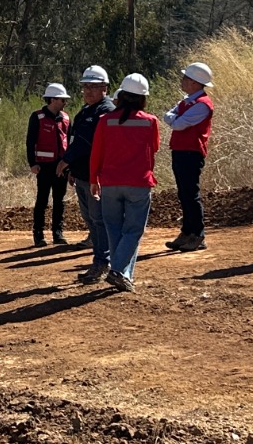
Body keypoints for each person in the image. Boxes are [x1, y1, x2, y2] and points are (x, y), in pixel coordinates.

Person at [89, 73, 162, 292]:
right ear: (143, 98)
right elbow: (155, 147)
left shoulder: (105, 121)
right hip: (138, 183)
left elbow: (96, 153)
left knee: (114, 229)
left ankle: (124, 275)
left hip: (110, 183)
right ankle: (119, 270)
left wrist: (94, 179)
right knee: (133, 231)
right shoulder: (150, 122)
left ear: (120, 95)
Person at [61, 66, 114, 283]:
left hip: (97, 177)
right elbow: (75, 139)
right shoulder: (85, 111)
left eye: (93, 86)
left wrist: (66, 160)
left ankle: (103, 263)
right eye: (85, 86)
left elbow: (87, 143)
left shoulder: (106, 111)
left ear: (105, 88)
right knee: (92, 220)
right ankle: (100, 260)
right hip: (82, 174)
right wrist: (72, 169)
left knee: (99, 221)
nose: (88, 91)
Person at [163, 62, 215, 252]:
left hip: (191, 153)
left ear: (195, 82)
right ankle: (187, 232)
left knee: (190, 194)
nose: (182, 81)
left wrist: (173, 119)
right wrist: (173, 118)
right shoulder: (189, 101)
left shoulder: (202, 105)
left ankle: (198, 234)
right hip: (181, 151)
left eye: (186, 78)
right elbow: (170, 116)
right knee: (184, 193)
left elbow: (177, 123)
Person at [27, 83, 72, 247]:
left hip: (61, 167)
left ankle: (57, 233)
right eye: (62, 100)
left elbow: (70, 142)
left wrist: (70, 166)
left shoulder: (66, 118)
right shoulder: (37, 117)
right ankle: (38, 234)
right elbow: (30, 142)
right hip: (44, 167)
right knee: (42, 201)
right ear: (52, 99)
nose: (64, 103)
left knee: (59, 201)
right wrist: (33, 163)